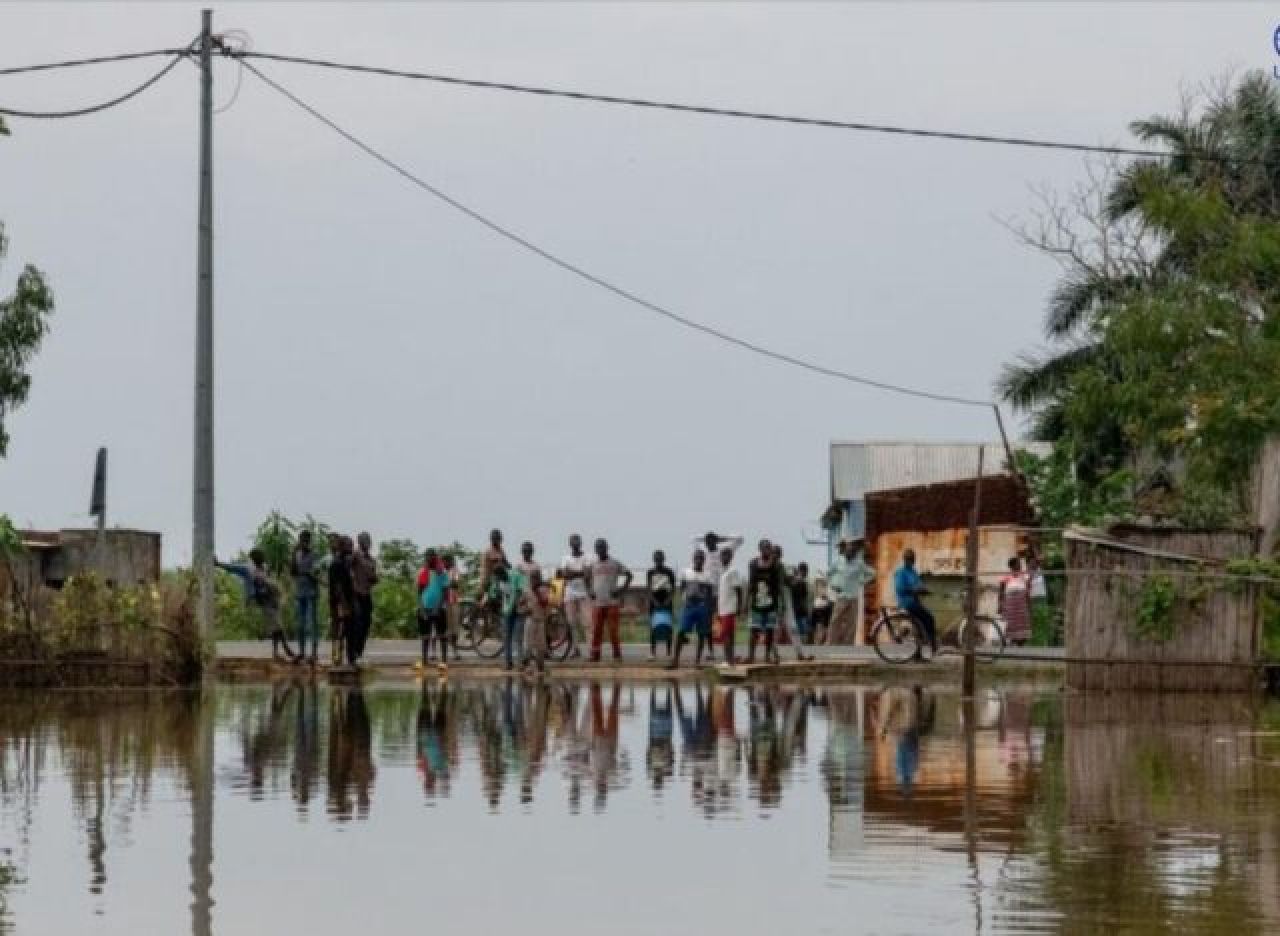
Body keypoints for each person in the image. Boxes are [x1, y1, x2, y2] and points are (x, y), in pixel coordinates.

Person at [217, 548, 296, 663]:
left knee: (276, 627)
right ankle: (285, 648)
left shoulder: (264, 568)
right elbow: (233, 568)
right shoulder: (248, 569)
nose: (262, 560)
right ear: (255, 559)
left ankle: (276, 653)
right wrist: (218, 564)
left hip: (272, 599)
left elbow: (268, 581)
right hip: (264, 600)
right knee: (278, 626)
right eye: (260, 558)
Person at [585, 538, 631, 663]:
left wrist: (621, 590)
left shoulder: (615, 563)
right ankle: (595, 655)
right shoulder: (593, 565)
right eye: (598, 548)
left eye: (602, 547)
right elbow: (585, 576)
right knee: (596, 631)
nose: (600, 550)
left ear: (607, 548)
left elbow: (629, 575)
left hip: (612, 602)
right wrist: (589, 591)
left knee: (613, 630)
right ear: (595, 550)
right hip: (598, 603)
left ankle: (617, 655)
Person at [670, 548, 715, 670]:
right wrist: (684, 601)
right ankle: (675, 661)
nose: (699, 560)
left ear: (704, 560)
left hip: (702, 606)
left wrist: (710, 608)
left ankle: (697, 661)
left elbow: (710, 594)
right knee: (681, 632)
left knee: (701, 634)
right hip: (689, 606)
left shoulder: (707, 575)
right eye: (697, 558)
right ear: (693, 559)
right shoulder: (686, 572)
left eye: (701, 558)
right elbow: (682, 588)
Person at [894, 549, 936, 661]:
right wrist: (915, 590)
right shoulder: (901, 572)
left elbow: (919, 584)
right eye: (909, 559)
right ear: (904, 560)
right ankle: (933, 645)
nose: (910, 561)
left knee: (920, 624)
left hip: (914, 602)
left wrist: (925, 590)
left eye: (912, 559)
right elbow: (900, 588)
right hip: (907, 602)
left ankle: (919, 653)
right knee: (929, 618)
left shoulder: (913, 571)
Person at [746, 540, 784, 665]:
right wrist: (746, 603)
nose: (767, 550)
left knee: (769, 631)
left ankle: (767, 656)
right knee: (754, 630)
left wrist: (781, 603)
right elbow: (750, 584)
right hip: (756, 603)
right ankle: (751, 656)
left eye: (769, 548)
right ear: (760, 549)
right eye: (764, 548)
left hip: (771, 603)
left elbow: (779, 585)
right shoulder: (753, 563)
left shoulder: (776, 565)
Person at [557, 534, 591, 660]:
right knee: (571, 623)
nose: (575, 544)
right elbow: (564, 575)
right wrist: (579, 573)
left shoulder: (587, 557)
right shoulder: (565, 558)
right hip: (569, 594)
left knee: (588, 623)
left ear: (581, 543)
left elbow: (587, 574)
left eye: (577, 542)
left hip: (584, 594)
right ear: (570, 544)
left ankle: (590, 650)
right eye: (573, 542)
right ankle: (575, 649)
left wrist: (572, 573)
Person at [417, 549, 451, 670]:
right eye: (427, 556)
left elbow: (445, 591)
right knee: (425, 636)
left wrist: (438, 607)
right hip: (425, 607)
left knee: (442, 635)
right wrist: (421, 608)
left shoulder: (441, 573)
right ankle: (424, 660)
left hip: (439, 608)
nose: (429, 559)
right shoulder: (422, 572)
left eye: (432, 556)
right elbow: (419, 591)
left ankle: (444, 661)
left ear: (435, 558)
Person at [290, 531, 321, 665]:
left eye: (305, 541)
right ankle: (302, 652)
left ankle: (314, 653)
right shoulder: (297, 555)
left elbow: (316, 574)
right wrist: (292, 555)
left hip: (311, 592)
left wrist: (309, 573)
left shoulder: (314, 555)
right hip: (300, 592)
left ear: (309, 541)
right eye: (301, 540)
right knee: (300, 624)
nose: (303, 543)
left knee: (312, 623)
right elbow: (293, 572)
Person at [490, 563, 527, 671]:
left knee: (518, 638)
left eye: (502, 576)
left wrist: (520, 600)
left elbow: (523, 590)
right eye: (499, 577)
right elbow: (493, 593)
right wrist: (494, 593)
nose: (501, 579)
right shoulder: (498, 580)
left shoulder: (515, 576)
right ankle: (508, 662)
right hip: (507, 611)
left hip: (518, 610)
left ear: (505, 572)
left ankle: (520, 664)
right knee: (507, 637)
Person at [349, 532, 379, 665]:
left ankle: (359, 651)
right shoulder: (356, 555)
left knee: (366, 624)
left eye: (369, 540)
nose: (367, 543)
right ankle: (353, 652)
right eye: (365, 541)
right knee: (358, 624)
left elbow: (373, 578)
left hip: (367, 594)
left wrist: (374, 579)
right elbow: (348, 568)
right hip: (356, 593)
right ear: (360, 542)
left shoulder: (372, 560)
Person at [328, 536, 357, 665]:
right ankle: (338, 656)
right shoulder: (337, 564)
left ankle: (346, 657)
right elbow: (338, 587)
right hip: (340, 602)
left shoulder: (345, 562)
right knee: (342, 628)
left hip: (345, 600)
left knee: (347, 629)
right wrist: (344, 604)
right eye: (349, 545)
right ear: (342, 547)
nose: (351, 547)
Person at [646, 550, 676, 661]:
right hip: (654, 601)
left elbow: (673, 588)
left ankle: (669, 653)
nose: (658, 561)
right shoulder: (650, 572)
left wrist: (668, 600)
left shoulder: (669, 572)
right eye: (656, 559)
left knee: (668, 627)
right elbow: (648, 589)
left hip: (667, 600)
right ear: (654, 560)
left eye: (660, 559)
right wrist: (654, 601)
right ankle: (652, 653)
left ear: (663, 559)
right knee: (653, 627)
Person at [716, 546, 743, 665]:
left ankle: (729, 660)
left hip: (730, 608)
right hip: (722, 609)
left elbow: (739, 590)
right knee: (729, 635)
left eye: (726, 555)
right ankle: (730, 659)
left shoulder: (733, 571)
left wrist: (740, 607)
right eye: (722, 555)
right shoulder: (722, 572)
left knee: (726, 635)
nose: (723, 558)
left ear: (731, 557)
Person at [999, 556, 1032, 646]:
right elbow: (1001, 591)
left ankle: (1021, 642)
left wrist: (1029, 603)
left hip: (1021, 603)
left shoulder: (1024, 575)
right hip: (1010, 604)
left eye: (1020, 564)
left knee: (1023, 623)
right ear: (1012, 566)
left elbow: (1028, 589)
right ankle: (1012, 640)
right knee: (1011, 623)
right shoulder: (1006, 576)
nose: (1020, 565)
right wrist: (1000, 605)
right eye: (1018, 563)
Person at [791, 562, 813, 646]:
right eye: (805, 571)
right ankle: (802, 646)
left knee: (800, 631)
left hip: (796, 610)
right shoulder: (801, 582)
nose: (806, 574)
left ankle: (801, 646)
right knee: (802, 631)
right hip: (800, 610)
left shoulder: (795, 581)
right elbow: (804, 598)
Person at [810, 576, 832, 644]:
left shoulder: (826, 590)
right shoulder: (819, 591)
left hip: (823, 608)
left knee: (822, 627)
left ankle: (819, 642)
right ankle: (817, 642)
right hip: (818, 608)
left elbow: (825, 596)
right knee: (818, 627)